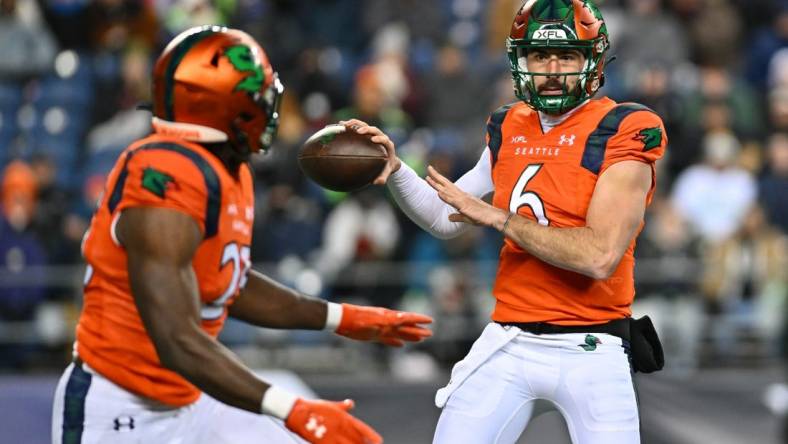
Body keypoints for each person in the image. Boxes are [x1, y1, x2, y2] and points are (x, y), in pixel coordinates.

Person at [51, 26, 433, 444]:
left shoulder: (229, 168)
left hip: (193, 394)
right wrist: (292, 408)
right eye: (256, 99)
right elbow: (175, 339)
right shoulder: (161, 173)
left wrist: (341, 317)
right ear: (218, 106)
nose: (267, 110)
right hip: (124, 407)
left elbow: (229, 281)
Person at [343, 1, 667, 442]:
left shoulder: (624, 127)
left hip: (592, 346)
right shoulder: (508, 125)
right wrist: (396, 171)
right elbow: (446, 217)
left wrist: (501, 219)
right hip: (510, 340)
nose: (552, 68)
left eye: (567, 55)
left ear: (592, 60)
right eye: (539, 55)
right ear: (520, 60)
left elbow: (599, 256)